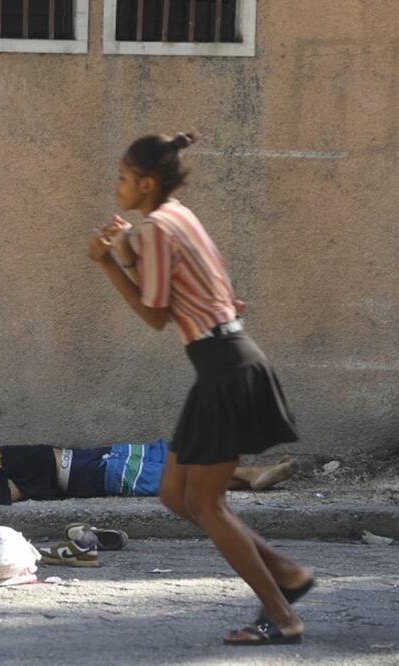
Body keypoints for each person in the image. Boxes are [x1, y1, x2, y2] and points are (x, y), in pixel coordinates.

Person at [88, 132, 312, 645]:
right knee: (174, 493)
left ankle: (281, 615)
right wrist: (126, 252)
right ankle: (288, 574)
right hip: (223, 361)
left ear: (146, 184)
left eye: (123, 178)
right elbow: (192, 289)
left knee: (207, 504)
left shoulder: (160, 229)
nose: (117, 186)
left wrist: (108, 261)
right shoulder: (177, 216)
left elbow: (155, 314)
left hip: (225, 367)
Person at [0, 442, 294, 506]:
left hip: (81, 457)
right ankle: (247, 474)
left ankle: (243, 477)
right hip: (78, 477)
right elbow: (18, 492)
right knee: (162, 473)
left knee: (160, 458)